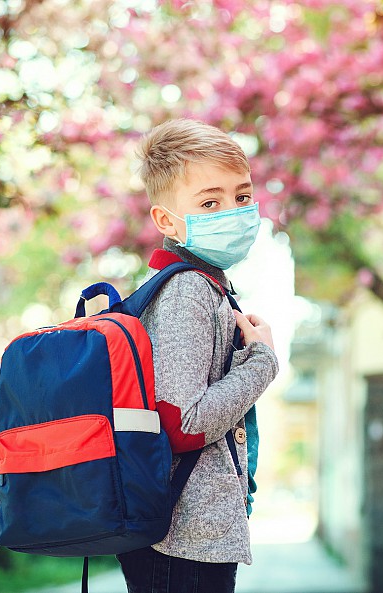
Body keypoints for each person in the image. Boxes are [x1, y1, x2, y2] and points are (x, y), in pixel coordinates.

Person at [116, 118, 279, 593]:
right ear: (167, 221)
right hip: (180, 541)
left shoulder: (206, 286)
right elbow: (185, 423)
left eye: (242, 196)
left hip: (188, 537)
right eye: (210, 202)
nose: (233, 210)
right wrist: (263, 362)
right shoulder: (188, 290)